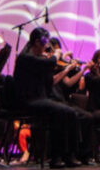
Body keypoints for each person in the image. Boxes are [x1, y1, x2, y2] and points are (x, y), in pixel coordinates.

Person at [14, 27, 80, 168]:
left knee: (71, 112)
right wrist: (56, 54)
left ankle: (68, 154)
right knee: (62, 111)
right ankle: (56, 157)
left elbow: (50, 81)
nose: (46, 48)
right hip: (28, 101)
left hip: (40, 98)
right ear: (37, 42)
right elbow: (49, 63)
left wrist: (66, 68)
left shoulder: (37, 58)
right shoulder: (25, 57)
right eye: (45, 44)